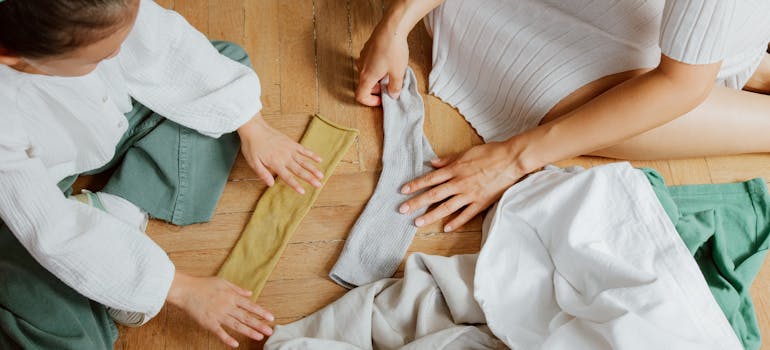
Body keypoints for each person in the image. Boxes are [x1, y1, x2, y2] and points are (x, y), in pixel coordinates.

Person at [0, 0, 324, 348]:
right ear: (11, 56)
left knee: (226, 64)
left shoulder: (91, 12)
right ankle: (100, 270)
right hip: (20, 199)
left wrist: (252, 125)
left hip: (107, 124)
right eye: (96, 58)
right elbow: (53, 230)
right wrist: (179, 288)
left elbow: (165, 44)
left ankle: (115, 212)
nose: (115, 55)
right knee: (60, 328)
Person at [356, 0, 770, 233]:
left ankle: (719, 55)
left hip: (688, 58)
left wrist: (514, 157)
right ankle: (723, 55)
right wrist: (397, 23)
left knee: (566, 105)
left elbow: (679, 85)